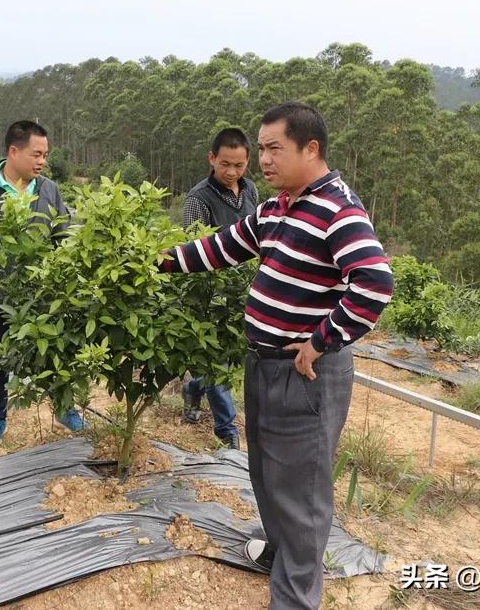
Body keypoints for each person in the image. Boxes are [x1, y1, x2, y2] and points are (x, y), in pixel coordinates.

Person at [161, 102, 394, 609]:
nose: (262, 160)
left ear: (310, 149)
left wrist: (321, 340)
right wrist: (152, 261)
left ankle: (293, 598)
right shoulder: (279, 207)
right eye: (260, 149)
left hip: (304, 371)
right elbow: (219, 248)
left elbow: (374, 283)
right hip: (264, 363)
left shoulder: (337, 209)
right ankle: (277, 551)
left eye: (273, 149)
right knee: (266, 471)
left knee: (302, 490)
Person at [0, 121, 85, 446]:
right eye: (37, 154)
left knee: (54, 355)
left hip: (42, 299)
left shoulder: (49, 190)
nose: (42, 161)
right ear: (13, 151)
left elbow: (63, 236)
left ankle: (64, 407)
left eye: (45, 155)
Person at [180, 127, 258, 450]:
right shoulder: (199, 200)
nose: (231, 172)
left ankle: (193, 389)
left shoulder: (251, 190)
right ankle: (227, 431)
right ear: (212, 159)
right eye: (225, 164)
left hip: (245, 291)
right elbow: (193, 252)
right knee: (216, 363)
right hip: (213, 295)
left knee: (233, 357)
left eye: (239, 165)